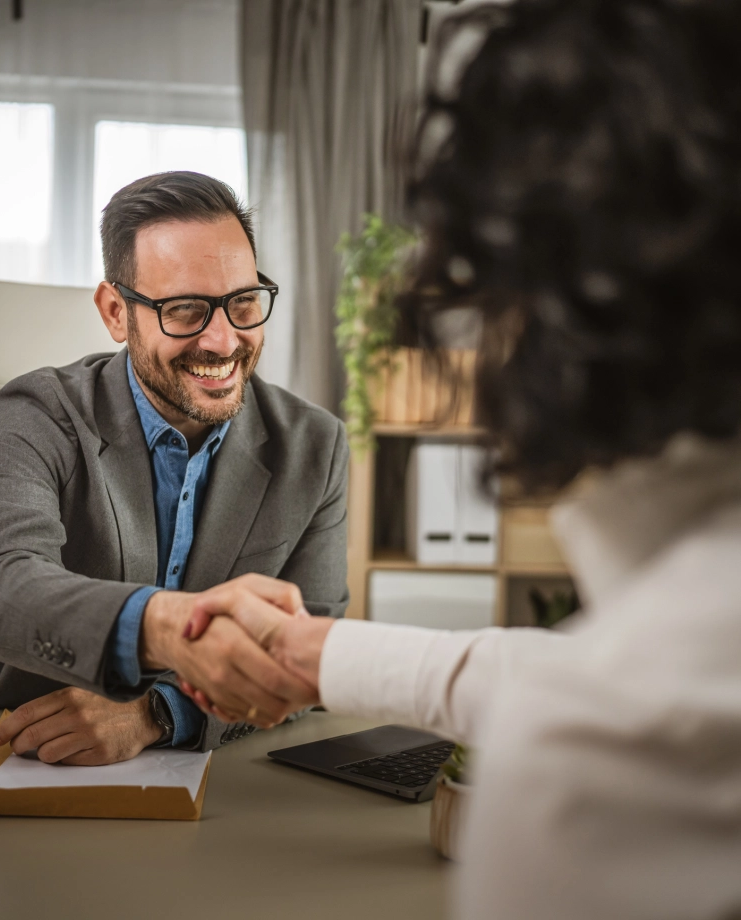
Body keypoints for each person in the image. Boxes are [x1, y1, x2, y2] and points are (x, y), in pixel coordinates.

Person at [178, 2, 741, 917]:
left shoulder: (595, 766)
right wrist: (320, 653)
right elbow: (606, 675)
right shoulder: (664, 663)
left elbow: (616, 696)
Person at [0, 171, 349, 764]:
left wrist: (157, 714)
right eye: (185, 310)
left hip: (198, 774)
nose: (223, 340)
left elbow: (309, 654)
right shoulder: (34, 413)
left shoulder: (316, 445)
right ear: (114, 312)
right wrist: (167, 629)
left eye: (242, 303)